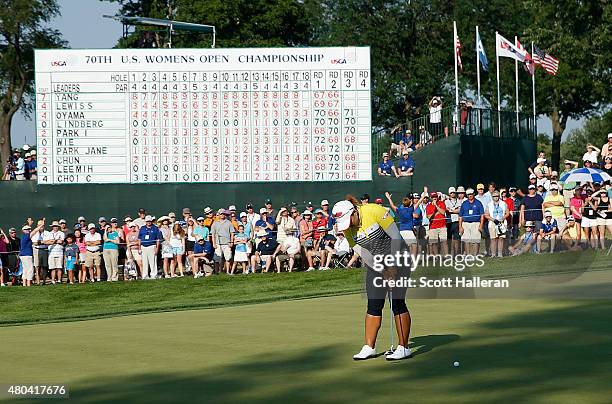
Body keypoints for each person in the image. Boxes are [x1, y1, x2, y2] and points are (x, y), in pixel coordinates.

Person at [332, 197, 412, 361]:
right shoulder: (347, 229)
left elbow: (396, 237)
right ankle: (369, 347)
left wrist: (391, 267)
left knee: (396, 302)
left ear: (354, 212)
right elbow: (362, 252)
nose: (348, 225)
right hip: (376, 263)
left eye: (349, 220)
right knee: (374, 304)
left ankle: (404, 347)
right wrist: (380, 268)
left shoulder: (374, 211)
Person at [459, 188, 484, 255]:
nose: (470, 195)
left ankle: (475, 255)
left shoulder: (478, 203)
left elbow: (482, 215)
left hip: (476, 223)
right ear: (467, 195)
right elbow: (460, 216)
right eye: (468, 194)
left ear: (474, 194)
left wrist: (481, 225)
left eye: (471, 194)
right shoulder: (464, 203)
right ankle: (468, 255)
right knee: (466, 241)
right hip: (465, 224)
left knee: (475, 240)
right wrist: (460, 227)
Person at [484, 191, 509, 258]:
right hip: (492, 223)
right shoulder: (489, 204)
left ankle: (500, 254)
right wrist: (493, 219)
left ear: (499, 196)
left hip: (502, 223)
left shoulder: (503, 203)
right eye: (494, 196)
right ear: (492, 197)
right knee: (493, 239)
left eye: (497, 196)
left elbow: (507, 213)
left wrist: (503, 218)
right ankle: (493, 254)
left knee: (501, 238)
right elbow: (486, 215)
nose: (496, 197)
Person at [211, 210, 235, 274]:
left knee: (228, 258)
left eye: (223, 214)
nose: (222, 215)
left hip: (227, 243)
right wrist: (214, 243)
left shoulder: (229, 223)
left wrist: (231, 242)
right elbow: (213, 234)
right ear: (219, 214)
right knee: (217, 259)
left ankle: (227, 271)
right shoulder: (215, 223)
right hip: (218, 243)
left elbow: (232, 233)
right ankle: (217, 272)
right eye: (221, 214)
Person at [138, 215, 162, 279]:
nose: (148, 222)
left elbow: (158, 239)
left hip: (152, 246)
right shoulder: (142, 228)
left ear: (151, 221)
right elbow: (139, 238)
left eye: (150, 221)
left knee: (153, 262)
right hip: (143, 246)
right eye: (147, 221)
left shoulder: (155, 228)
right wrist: (139, 248)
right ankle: (145, 275)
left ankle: (153, 275)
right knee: (144, 262)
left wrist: (157, 248)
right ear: (145, 221)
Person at [19, 222, 41, 287]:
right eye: (27, 229)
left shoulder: (23, 236)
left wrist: (29, 224)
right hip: (27, 255)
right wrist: (41, 225)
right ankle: (28, 284)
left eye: (29, 229)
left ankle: (24, 284)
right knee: (30, 269)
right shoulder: (26, 235)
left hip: (23, 255)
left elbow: (31, 231)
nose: (29, 230)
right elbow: (34, 231)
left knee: (25, 269)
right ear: (24, 230)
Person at [445, 187, 462, 255]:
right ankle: (449, 254)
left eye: (454, 192)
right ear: (449, 193)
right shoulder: (446, 201)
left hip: (456, 221)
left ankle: (457, 254)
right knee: (449, 239)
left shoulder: (459, 201)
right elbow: (447, 210)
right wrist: (455, 209)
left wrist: (451, 210)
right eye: (451, 193)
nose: (453, 194)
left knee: (457, 239)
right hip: (449, 222)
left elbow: (460, 210)